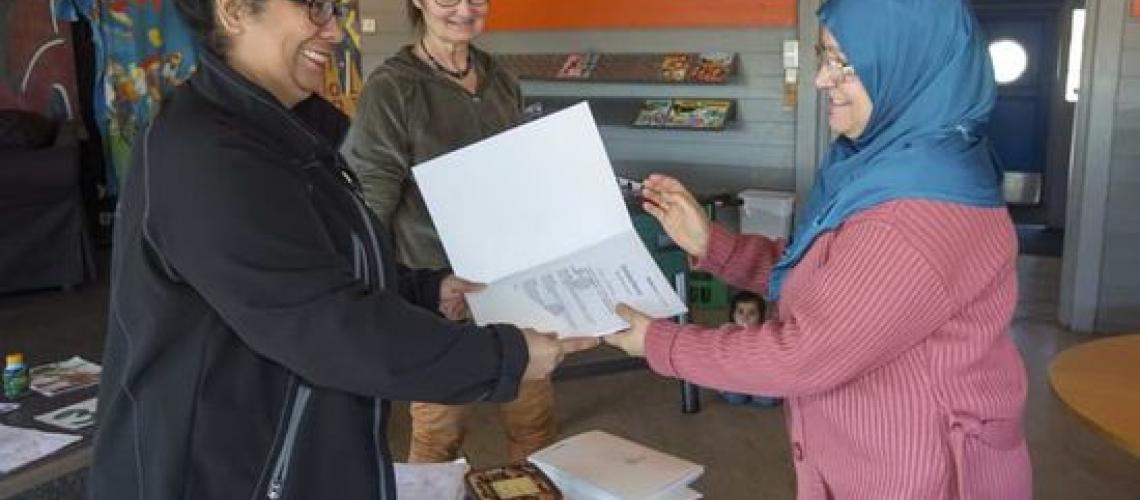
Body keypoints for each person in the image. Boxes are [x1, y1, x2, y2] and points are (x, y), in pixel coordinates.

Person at [89, 0, 596, 498]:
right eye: (314, 8)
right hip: (225, 472)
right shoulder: (205, 153)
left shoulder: (299, 126)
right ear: (235, 10)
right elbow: (322, 323)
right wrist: (505, 355)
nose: (335, 32)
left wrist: (426, 290)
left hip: (301, 448)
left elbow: (321, 265)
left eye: (336, 10)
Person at [605, 0, 1032, 498]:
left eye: (845, 64)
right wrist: (711, 245)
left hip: (919, 476)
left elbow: (804, 356)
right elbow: (830, 279)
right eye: (823, 56)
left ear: (907, 65)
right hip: (872, 460)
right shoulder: (900, 159)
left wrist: (661, 343)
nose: (821, 80)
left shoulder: (914, 213)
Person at [340, 0, 555, 463]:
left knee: (532, 421)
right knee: (440, 434)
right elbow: (371, 203)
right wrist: (386, 291)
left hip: (512, 285)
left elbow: (518, 174)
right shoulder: (392, 88)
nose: (463, 9)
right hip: (439, 293)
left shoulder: (501, 79)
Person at [717, 291, 781, 408]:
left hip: (758, 378)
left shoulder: (764, 334)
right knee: (735, 398)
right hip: (735, 378)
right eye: (740, 312)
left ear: (760, 317)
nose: (745, 317)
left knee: (767, 400)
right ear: (733, 314)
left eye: (752, 313)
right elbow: (719, 359)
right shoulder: (727, 332)